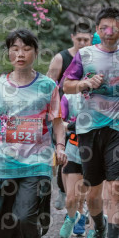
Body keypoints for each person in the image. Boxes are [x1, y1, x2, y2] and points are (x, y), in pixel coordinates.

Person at [0, 29, 67, 238]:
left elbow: (57, 121)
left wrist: (60, 147)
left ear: (35, 52)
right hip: (4, 163)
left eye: (26, 49)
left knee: (25, 216)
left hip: (36, 162)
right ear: (8, 53)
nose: (20, 54)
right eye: (15, 49)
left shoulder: (48, 86)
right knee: (3, 221)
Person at [62, 7, 119, 238]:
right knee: (93, 193)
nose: (109, 32)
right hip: (89, 129)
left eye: (114, 27)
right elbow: (66, 85)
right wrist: (85, 83)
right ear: (97, 29)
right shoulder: (84, 55)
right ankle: (99, 227)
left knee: (116, 187)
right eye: (104, 27)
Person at [47, 22, 93, 210]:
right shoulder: (61, 58)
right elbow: (48, 84)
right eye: (79, 39)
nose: (82, 43)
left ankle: (82, 201)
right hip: (63, 113)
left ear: (91, 39)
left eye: (85, 40)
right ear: (72, 37)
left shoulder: (94, 58)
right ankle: (62, 188)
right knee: (63, 154)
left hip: (88, 112)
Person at [57, 93, 89, 238]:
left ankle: (80, 218)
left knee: (82, 193)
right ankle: (72, 216)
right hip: (73, 150)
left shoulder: (103, 96)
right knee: (71, 198)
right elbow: (59, 122)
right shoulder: (69, 98)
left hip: (94, 153)